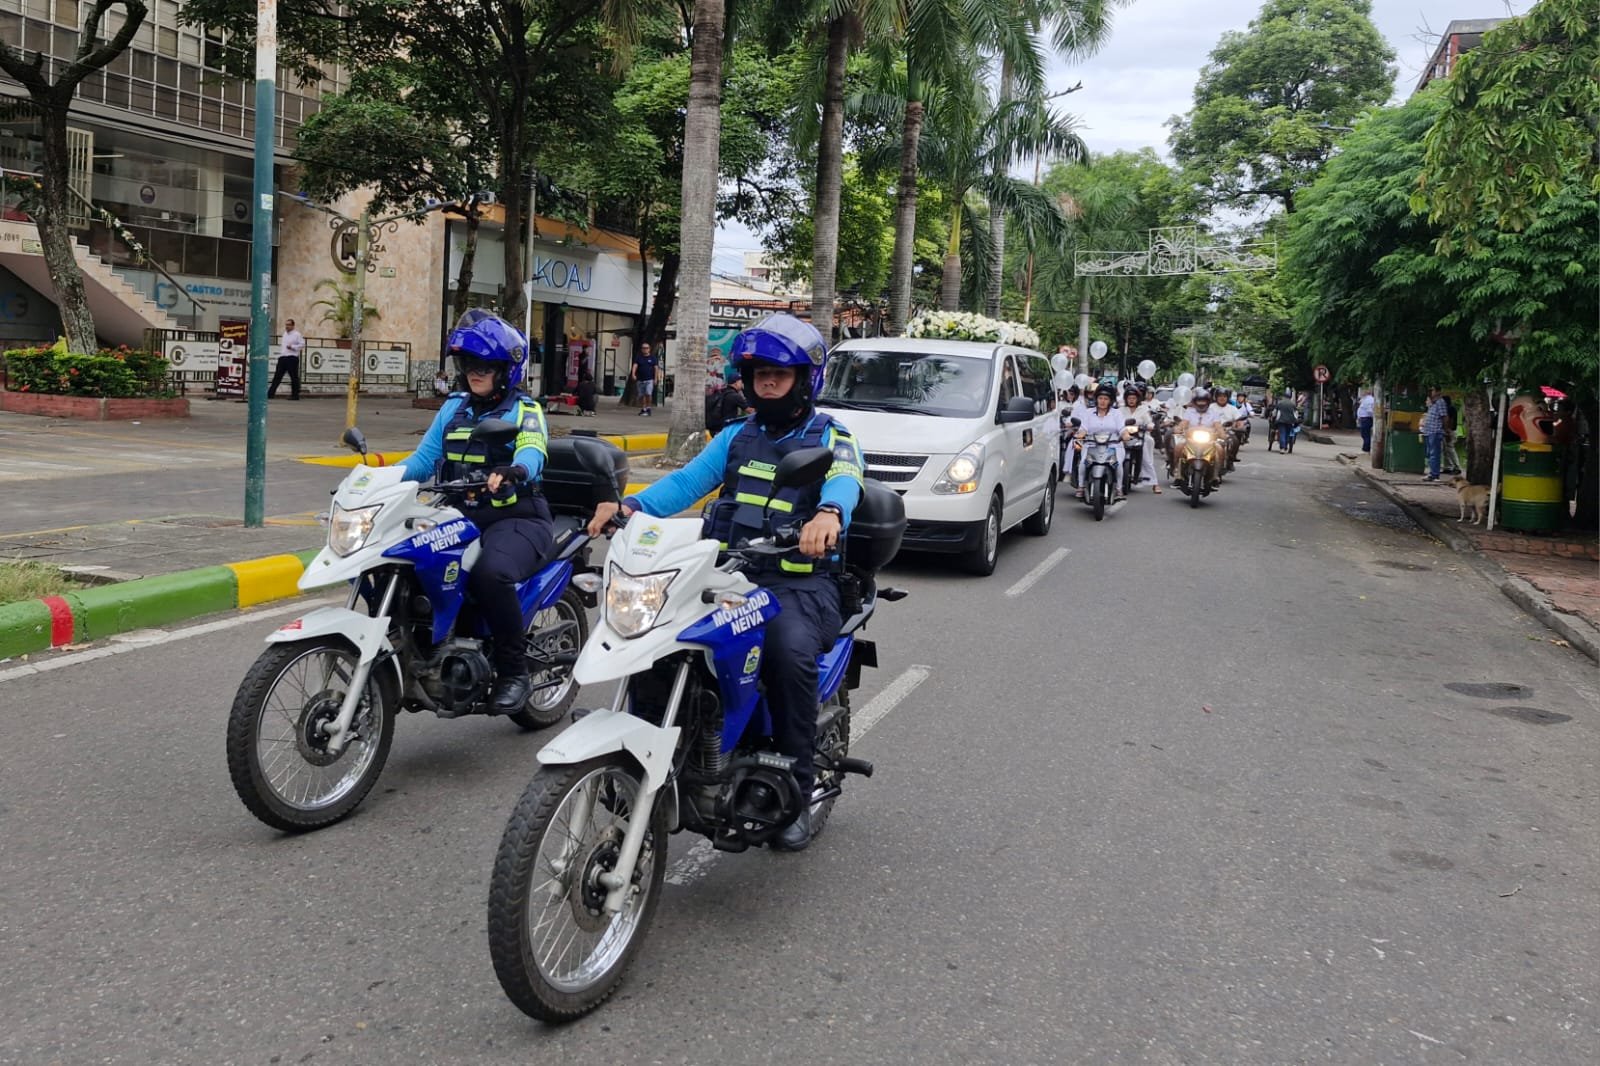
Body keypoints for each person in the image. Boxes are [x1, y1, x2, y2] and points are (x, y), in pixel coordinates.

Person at [588, 314, 863, 852]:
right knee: (659, 640)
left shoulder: (832, 437)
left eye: (779, 373)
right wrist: (631, 507)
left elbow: (846, 481)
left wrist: (828, 514)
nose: (766, 381)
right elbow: (688, 482)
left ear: (805, 379)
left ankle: (797, 788)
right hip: (729, 574)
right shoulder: (738, 436)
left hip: (800, 585)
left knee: (786, 654)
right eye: (758, 372)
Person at [400, 310, 554, 714]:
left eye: (485, 365)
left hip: (517, 516)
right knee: (407, 562)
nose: (475, 372)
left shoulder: (526, 410)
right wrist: (374, 477)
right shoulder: (453, 408)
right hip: (458, 515)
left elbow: (533, 450)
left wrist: (515, 469)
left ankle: (514, 672)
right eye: (469, 364)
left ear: (506, 369)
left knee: (491, 573)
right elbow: (422, 462)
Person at [1072, 384, 1134, 501]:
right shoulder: (1089, 412)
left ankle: (1119, 489)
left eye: (1106, 399)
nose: (1103, 401)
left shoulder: (1116, 413)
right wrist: (1079, 436)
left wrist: (1126, 435)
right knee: (1083, 463)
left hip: (1113, 445)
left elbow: (1122, 429)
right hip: (1091, 444)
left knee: (1118, 465)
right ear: (1096, 399)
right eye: (1100, 398)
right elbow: (1083, 429)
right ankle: (1080, 487)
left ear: (1110, 401)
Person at [1123, 382, 1162, 494]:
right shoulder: (1120, 410)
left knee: (1146, 456)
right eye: (1129, 398)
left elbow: (1150, 423)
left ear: (1138, 399)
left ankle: (1154, 483)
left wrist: (1149, 426)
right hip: (1123, 437)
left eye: (1133, 398)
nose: (1131, 400)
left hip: (1140, 436)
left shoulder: (1143, 410)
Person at [705, 363, 750, 432]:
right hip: (726, 428)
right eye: (741, 381)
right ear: (736, 383)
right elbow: (750, 410)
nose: (742, 383)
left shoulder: (723, 391)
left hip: (716, 428)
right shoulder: (735, 396)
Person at [1419, 385, 1450, 482]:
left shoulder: (1440, 402)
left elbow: (1444, 417)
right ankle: (1432, 472)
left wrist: (1445, 430)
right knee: (1429, 453)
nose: (1431, 392)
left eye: (1432, 390)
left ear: (1438, 391)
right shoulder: (1432, 403)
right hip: (1429, 431)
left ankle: (1434, 474)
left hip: (1435, 431)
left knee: (1434, 453)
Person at [269, 318, 305, 400]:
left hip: (292, 357)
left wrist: (292, 347)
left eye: (289, 325)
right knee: (277, 376)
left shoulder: (297, 334)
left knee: (293, 377)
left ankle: (295, 395)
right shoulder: (284, 334)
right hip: (283, 357)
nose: (287, 326)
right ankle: (270, 394)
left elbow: (302, 344)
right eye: (286, 325)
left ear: (293, 326)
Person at [631, 341, 659, 416]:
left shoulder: (653, 358)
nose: (645, 349)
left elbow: (656, 368)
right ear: (641, 349)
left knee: (648, 393)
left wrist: (656, 378)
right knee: (641, 395)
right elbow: (635, 366)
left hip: (649, 379)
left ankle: (648, 408)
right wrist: (633, 374)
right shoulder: (639, 358)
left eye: (646, 348)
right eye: (643, 348)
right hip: (640, 379)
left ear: (649, 349)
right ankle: (644, 409)